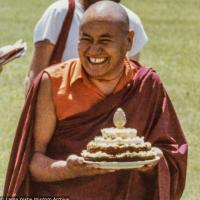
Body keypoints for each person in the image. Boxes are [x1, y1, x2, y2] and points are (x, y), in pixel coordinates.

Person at [4, 1, 187, 199]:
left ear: (128, 41)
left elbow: (172, 154)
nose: (93, 50)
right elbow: (32, 162)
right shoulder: (53, 82)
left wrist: (152, 160)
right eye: (86, 39)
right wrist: (68, 169)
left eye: (105, 40)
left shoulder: (146, 84)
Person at [25, 0, 148, 92]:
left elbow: (129, 81)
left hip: (108, 115)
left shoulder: (131, 21)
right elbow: (35, 77)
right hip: (60, 113)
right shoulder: (61, 12)